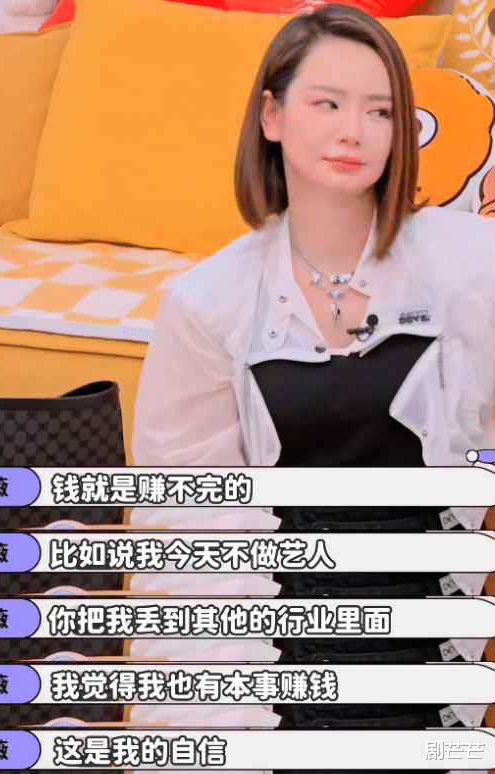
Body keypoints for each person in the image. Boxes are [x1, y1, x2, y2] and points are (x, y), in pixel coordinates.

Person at [133, 3, 495, 771]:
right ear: (271, 116)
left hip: (429, 690)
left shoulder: (473, 269)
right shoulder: (207, 303)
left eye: (380, 111)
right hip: (279, 696)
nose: (352, 131)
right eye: (326, 104)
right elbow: (188, 542)